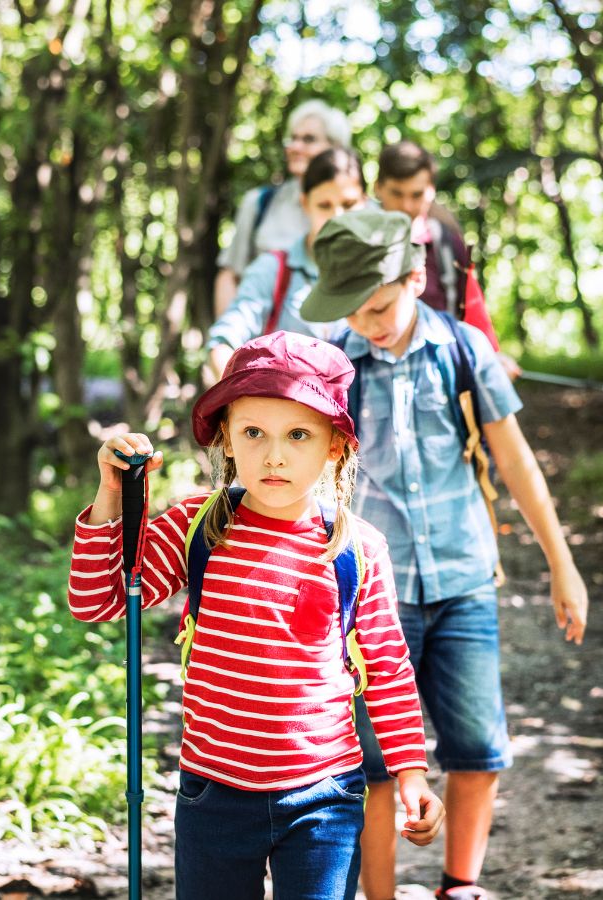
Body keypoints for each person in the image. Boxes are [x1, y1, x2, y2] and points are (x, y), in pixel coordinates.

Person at [67, 331, 445, 900]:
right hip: (213, 792)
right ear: (225, 438)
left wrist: (410, 772)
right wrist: (112, 498)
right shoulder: (199, 527)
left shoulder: (355, 547)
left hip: (324, 796)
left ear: (335, 444)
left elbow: (388, 668)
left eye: (298, 435)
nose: (274, 455)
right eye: (253, 433)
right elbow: (98, 599)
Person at [299, 210, 590, 900]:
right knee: (370, 768)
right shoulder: (334, 364)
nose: (368, 323)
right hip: (372, 590)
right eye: (354, 310)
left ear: (416, 276)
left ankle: (459, 885)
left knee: (478, 751)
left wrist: (562, 563)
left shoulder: (462, 349)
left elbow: (514, 460)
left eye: (379, 305)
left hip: (463, 576)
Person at [205, 147, 368, 382]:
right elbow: (223, 341)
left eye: (349, 203)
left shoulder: (381, 272)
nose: (337, 217)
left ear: (365, 201)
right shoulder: (273, 269)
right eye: (325, 205)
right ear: (305, 203)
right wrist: (241, 400)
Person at [374, 141, 521, 380]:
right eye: (397, 194)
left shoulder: (447, 242)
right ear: (378, 188)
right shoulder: (359, 241)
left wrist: (492, 355)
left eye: (417, 194)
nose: (407, 206)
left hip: (440, 372)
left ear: (431, 190)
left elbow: (470, 304)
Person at [216, 100, 353, 318]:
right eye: (293, 138)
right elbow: (230, 276)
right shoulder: (261, 203)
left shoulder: (364, 212)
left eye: (309, 139)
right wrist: (231, 345)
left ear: (336, 148)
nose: (295, 147)